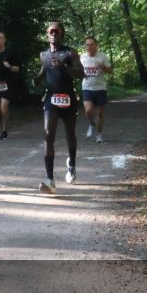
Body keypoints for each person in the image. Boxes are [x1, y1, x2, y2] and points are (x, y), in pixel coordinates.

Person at [33, 21, 85, 193]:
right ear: (47, 35)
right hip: (51, 99)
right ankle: (50, 180)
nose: (53, 33)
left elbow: (80, 73)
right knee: (48, 135)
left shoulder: (69, 52)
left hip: (68, 98)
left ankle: (72, 164)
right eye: (51, 31)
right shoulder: (44, 55)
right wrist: (36, 80)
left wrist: (64, 66)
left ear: (62, 34)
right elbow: (44, 70)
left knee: (70, 135)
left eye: (57, 31)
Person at [80, 36, 113, 143]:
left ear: (96, 45)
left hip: (100, 88)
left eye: (92, 44)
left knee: (100, 114)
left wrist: (103, 67)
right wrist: (81, 74)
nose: (89, 46)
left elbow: (111, 70)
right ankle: (91, 123)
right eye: (87, 45)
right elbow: (78, 70)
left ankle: (99, 134)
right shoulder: (82, 57)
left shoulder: (103, 56)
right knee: (88, 110)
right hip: (87, 87)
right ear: (85, 46)